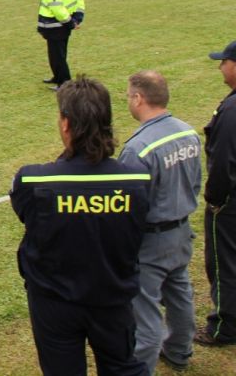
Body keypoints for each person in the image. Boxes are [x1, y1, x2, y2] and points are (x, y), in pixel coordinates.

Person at [11, 76, 151, 376]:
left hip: (55, 302)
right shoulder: (136, 182)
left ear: (65, 124)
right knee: (121, 367)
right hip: (113, 297)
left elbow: (26, 214)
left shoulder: (33, 180)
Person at [119, 71, 202, 372]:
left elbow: (128, 206)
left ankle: (142, 367)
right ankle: (180, 350)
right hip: (181, 230)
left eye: (128, 96)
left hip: (152, 239)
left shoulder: (138, 149)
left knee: (144, 309)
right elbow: (195, 183)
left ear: (139, 98)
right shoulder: (188, 133)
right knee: (179, 292)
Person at [196, 40, 236, 347]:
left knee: (224, 262)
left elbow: (223, 161)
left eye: (224, 61)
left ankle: (225, 327)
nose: (221, 66)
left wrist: (216, 199)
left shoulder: (232, 110)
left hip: (230, 202)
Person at [38, 0, 85, 90]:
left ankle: (64, 83)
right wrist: (77, 19)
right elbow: (79, 0)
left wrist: (70, 23)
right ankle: (57, 77)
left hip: (55, 27)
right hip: (63, 26)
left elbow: (57, 10)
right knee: (57, 54)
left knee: (57, 56)